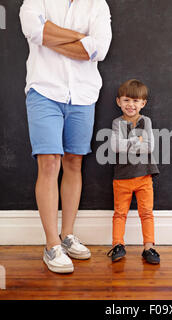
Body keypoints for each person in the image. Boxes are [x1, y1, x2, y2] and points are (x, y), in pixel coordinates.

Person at [19, 0, 112, 273]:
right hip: (44, 91)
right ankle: (51, 245)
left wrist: (52, 34)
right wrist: (82, 38)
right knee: (49, 162)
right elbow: (34, 32)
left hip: (83, 94)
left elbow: (100, 49)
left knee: (74, 162)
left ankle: (67, 236)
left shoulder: (98, 4)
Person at [107, 79, 160, 264]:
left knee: (146, 212)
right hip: (122, 177)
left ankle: (149, 247)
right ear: (118, 102)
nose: (131, 105)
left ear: (143, 103)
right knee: (119, 213)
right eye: (127, 100)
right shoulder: (116, 123)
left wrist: (127, 144)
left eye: (136, 101)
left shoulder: (146, 121)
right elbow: (115, 146)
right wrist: (137, 141)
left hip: (144, 176)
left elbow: (149, 146)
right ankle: (118, 245)